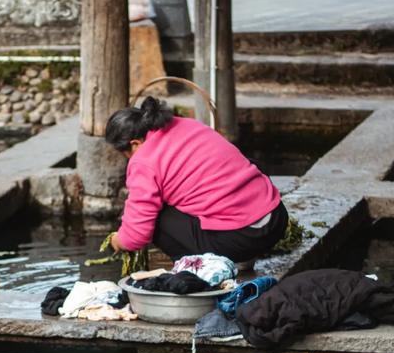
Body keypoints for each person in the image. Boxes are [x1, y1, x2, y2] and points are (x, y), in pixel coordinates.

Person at [105, 97, 288, 262]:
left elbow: (136, 235)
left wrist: (117, 241)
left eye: (125, 154)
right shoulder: (187, 125)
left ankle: (203, 269)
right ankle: (240, 257)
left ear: (134, 143)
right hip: (276, 218)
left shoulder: (142, 161)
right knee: (248, 163)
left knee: (157, 219)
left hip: (245, 237)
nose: (129, 159)